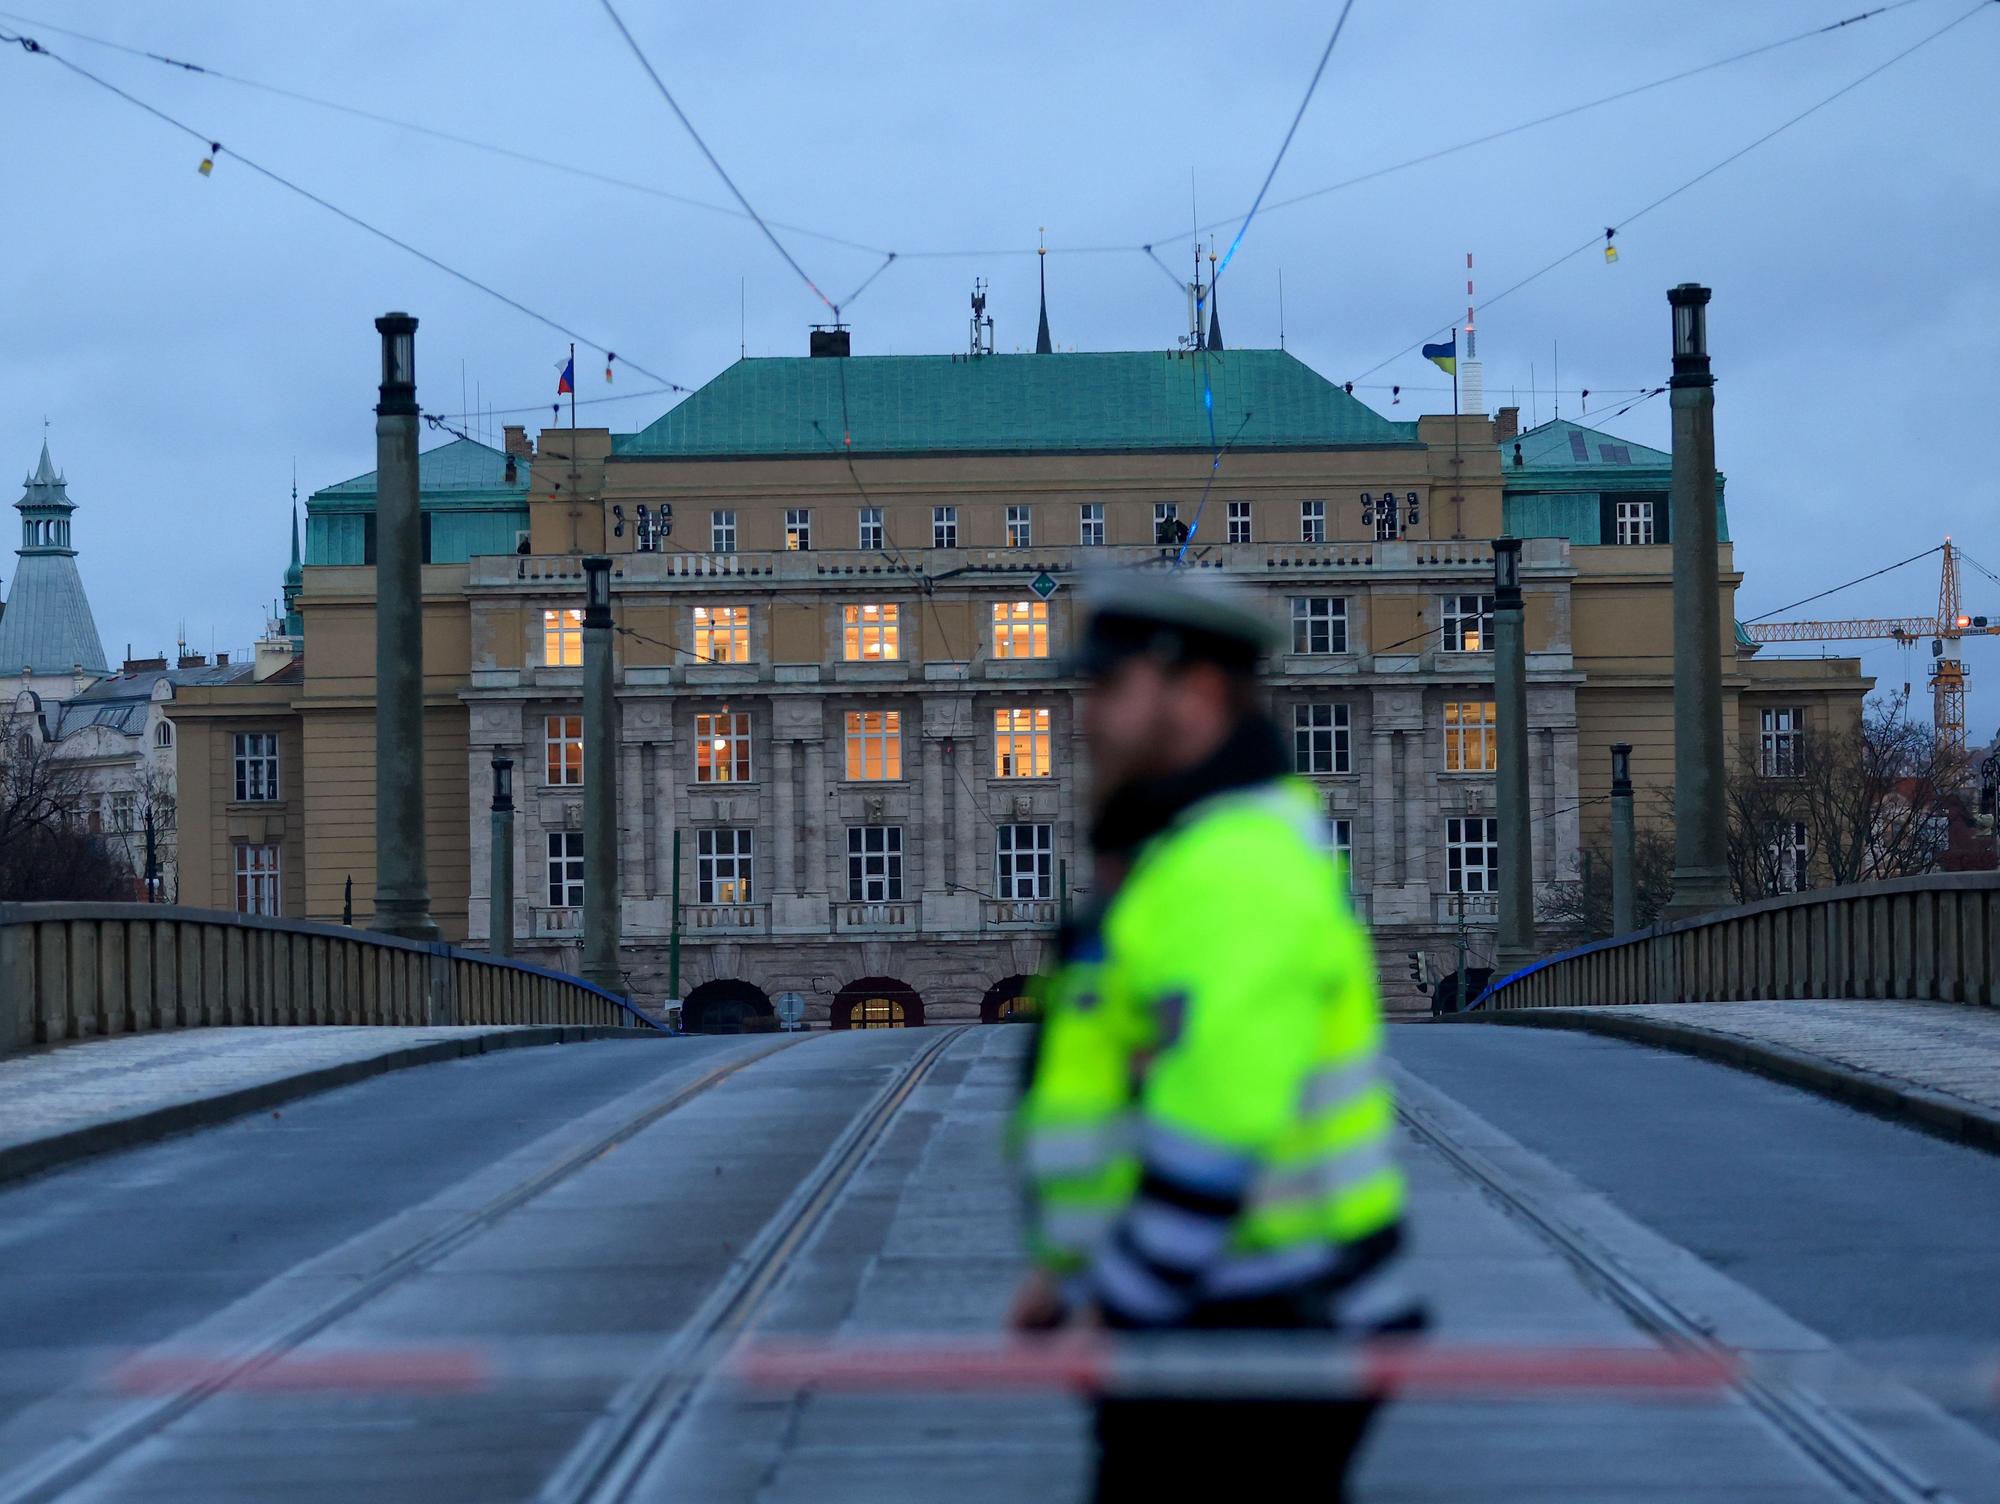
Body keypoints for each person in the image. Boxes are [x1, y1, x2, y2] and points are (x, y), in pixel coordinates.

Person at [1009, 570, 1417, 1502]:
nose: (1084, 718)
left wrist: (1118, 1303)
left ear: (1194, 693)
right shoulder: (1189, 850)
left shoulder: (1235, 866)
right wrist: (1065, 1267)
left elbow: (1219, 1120)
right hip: (1222, 1313)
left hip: (1256, 1324)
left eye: (1109, 689)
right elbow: (1129, 1081)